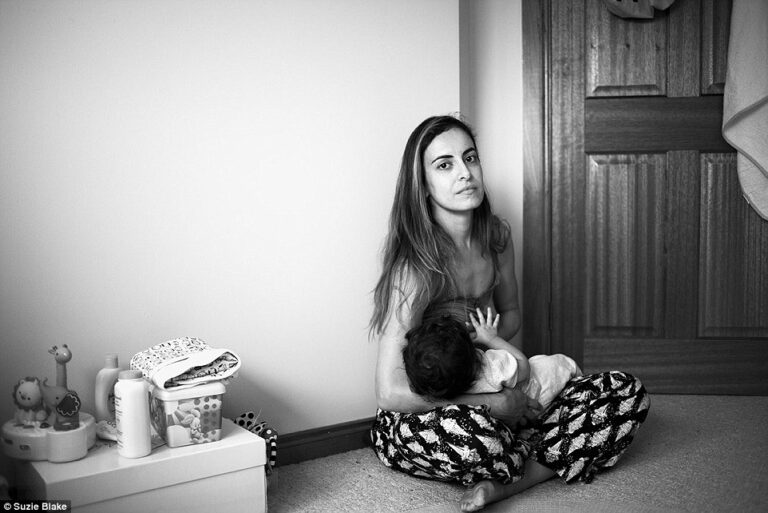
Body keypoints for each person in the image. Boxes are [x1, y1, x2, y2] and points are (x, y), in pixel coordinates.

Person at [369, 114, 650, 511]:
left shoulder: (497, 237)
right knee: (477, 437)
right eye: (445, 165)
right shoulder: (415, 267)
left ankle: (505, 483)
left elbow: (512, 314)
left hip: (492, 381)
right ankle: (532, 447)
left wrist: (490, 346)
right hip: (426, 413)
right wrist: (489, 405)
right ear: (423, 185)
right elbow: (389, 392)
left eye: (470, 158)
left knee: (625, 393)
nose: (465, 173)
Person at [403, 307, 582, 410]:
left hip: (519, 407)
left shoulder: (450, 390)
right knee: (562, 362)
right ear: (474, 355)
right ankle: (581, 388)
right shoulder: (492, 367)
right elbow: (523, 367)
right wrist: (490, 339)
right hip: (541, 387)